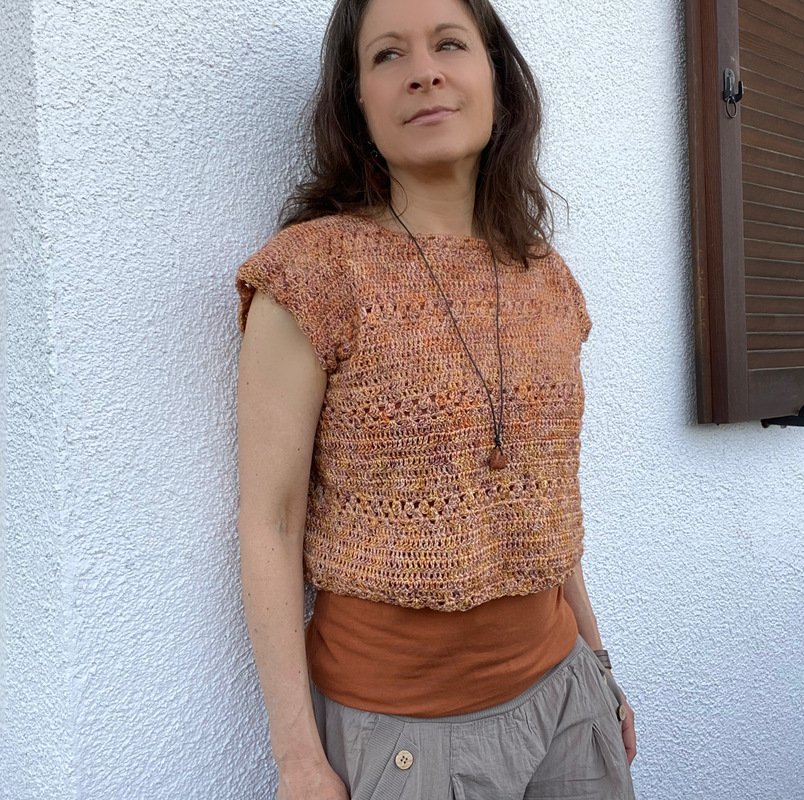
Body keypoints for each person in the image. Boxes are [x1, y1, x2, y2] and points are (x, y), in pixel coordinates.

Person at [234, 0, 637, 797]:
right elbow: (269, 520)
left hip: (569, 701)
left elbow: (544, 504)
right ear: (356, 98)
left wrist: (597, 662)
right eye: (387, 54)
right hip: (408, 735)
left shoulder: (546, 279)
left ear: (496, 76)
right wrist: (298, 760)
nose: (423, 72)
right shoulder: (314, 275)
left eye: (449, 44)